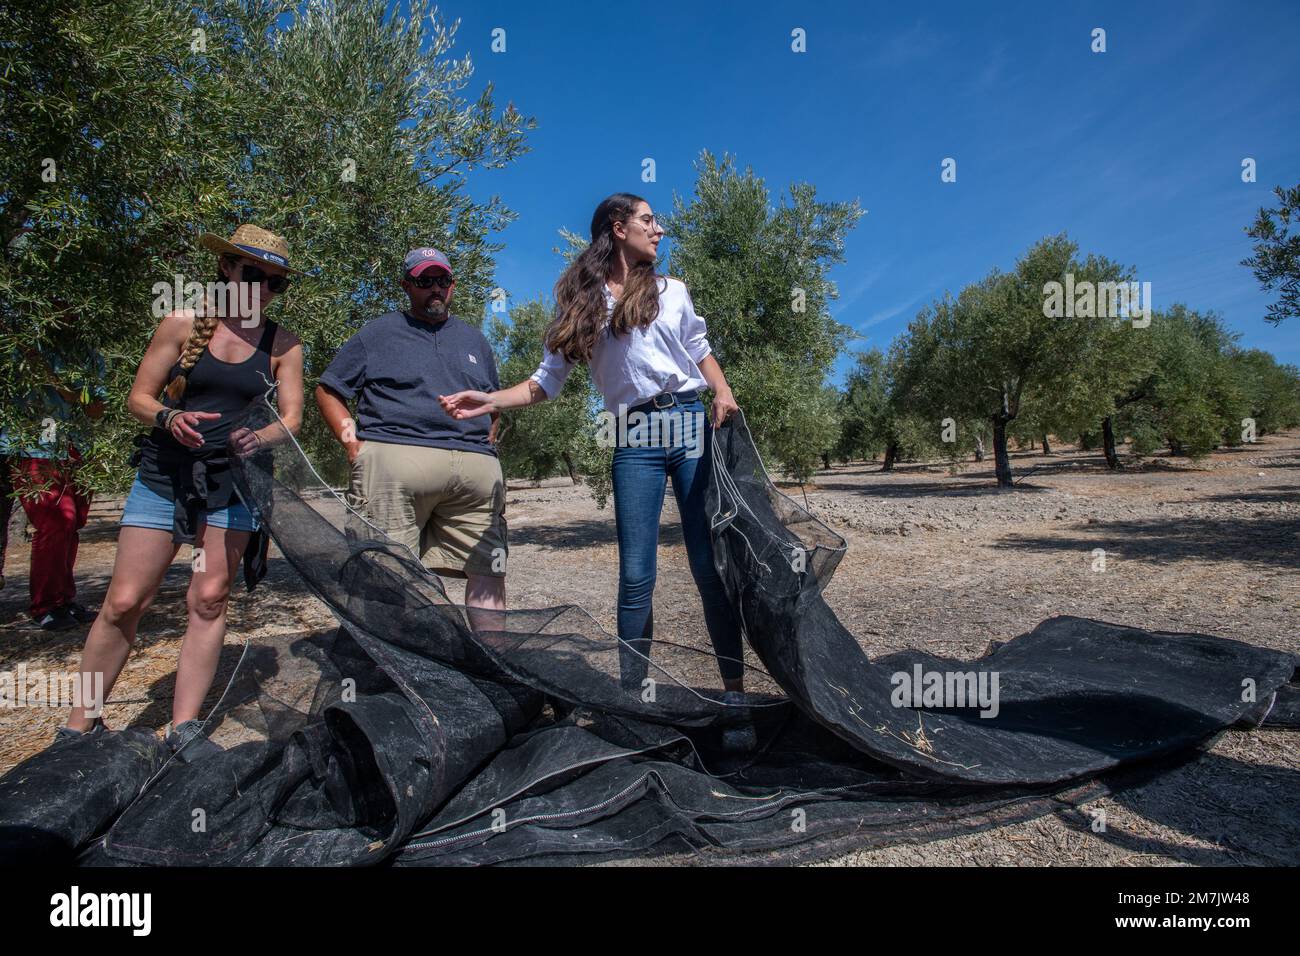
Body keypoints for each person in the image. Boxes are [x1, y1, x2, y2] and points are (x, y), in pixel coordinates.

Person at [440, 193, 747, 698]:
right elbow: (545, 381)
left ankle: (734, 697)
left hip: (690, 423)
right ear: (618, 226)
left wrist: (722, 388)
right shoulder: (584, 302)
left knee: (708, 566)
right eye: (649, 220)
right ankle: (633, 700)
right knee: (635, 576)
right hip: (634, 435)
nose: (659, 229)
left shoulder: (673, 290)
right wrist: (488, 398)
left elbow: (699, 349)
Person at [59, 225, 305, 757]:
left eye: (273, 282)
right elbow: (138, 399)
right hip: (164, 474)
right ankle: (79, 723)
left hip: (235, 481)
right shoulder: (182, 321)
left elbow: (292, 419)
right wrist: (169, 418)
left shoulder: (283, 345)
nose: (261, 287)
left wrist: (257, 436)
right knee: (125, 601)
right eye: (252, 273)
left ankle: (184, 727)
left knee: (210, 597)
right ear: (227, 269)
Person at [316, 247, 507, 619]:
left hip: (474, 472)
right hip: (393, 459)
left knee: (489, 570)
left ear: (453, 285)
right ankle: (388, 671)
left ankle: (493, 668)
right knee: (385, 572)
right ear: (407, 285)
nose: (434, 288)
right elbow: (328, 389)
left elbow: (492, 403)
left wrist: (488, 446)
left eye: (442, 280)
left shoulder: (475, 341)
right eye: (424, 281)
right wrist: (353, 444)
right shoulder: (377, 333)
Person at [0, 347, 106, 629]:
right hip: (34, 450)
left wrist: (60, 384)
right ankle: (45, 605)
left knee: (73, 525)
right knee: (57, 522)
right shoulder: (20, 348)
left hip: (78, 449)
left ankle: (63, 599)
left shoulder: (89, 355)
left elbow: (96, 410)